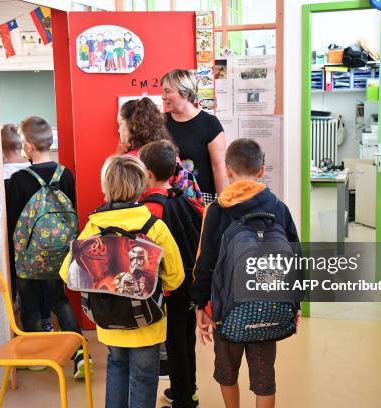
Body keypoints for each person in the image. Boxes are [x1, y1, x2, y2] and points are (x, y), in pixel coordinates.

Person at [61, 155, 184, 408]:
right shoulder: (154, 227)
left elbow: (67, 273)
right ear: (142, 185)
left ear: (105, 187)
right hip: (147, 322)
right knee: (143, 376)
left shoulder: (94, 226)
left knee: (116, 368)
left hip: (108, 319)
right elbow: (176, 276)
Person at [191, 139, 301, 408]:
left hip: (226, 309)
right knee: (265, 378)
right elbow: (296, 258)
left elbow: (205, 264)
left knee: (226, 372)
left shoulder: (216, 211)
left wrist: (200, 306)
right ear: (262, 170)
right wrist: (295, 303)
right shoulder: (278, 208)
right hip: (270, 305)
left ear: (228, 170)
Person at [5, 116, 87, 378]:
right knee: (59, 300)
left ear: (28, 146)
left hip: (28, 256)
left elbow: (13, 222)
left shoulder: (19, 180)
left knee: (29, 304)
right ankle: (81, 354)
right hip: (59, 253)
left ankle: (38, 357)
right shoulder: (66, 174)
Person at [138, 141, 203, 408]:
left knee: (174, 342)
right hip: (192, 281)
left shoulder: (148, 210)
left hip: (168, 287)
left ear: (148, 173)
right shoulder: (188, 201)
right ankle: (189, 389)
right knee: (187, 338)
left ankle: (184, 400)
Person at [1, 123, 53, 333]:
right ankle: (47, 323)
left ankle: (33, 339)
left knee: (26, 291)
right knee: (48, 290)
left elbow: (12, 217)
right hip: (49, 241)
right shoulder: (54, 172)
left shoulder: (12, 178)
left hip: (23, 246)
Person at [161, 69, 228, 204]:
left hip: (202, 201)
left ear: (184, 92)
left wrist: (224, 207)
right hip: (169, 201)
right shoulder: (160, 122)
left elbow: (219, 167)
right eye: (163, 91)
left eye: (167, 91)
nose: (163, 96)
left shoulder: (210, 123)